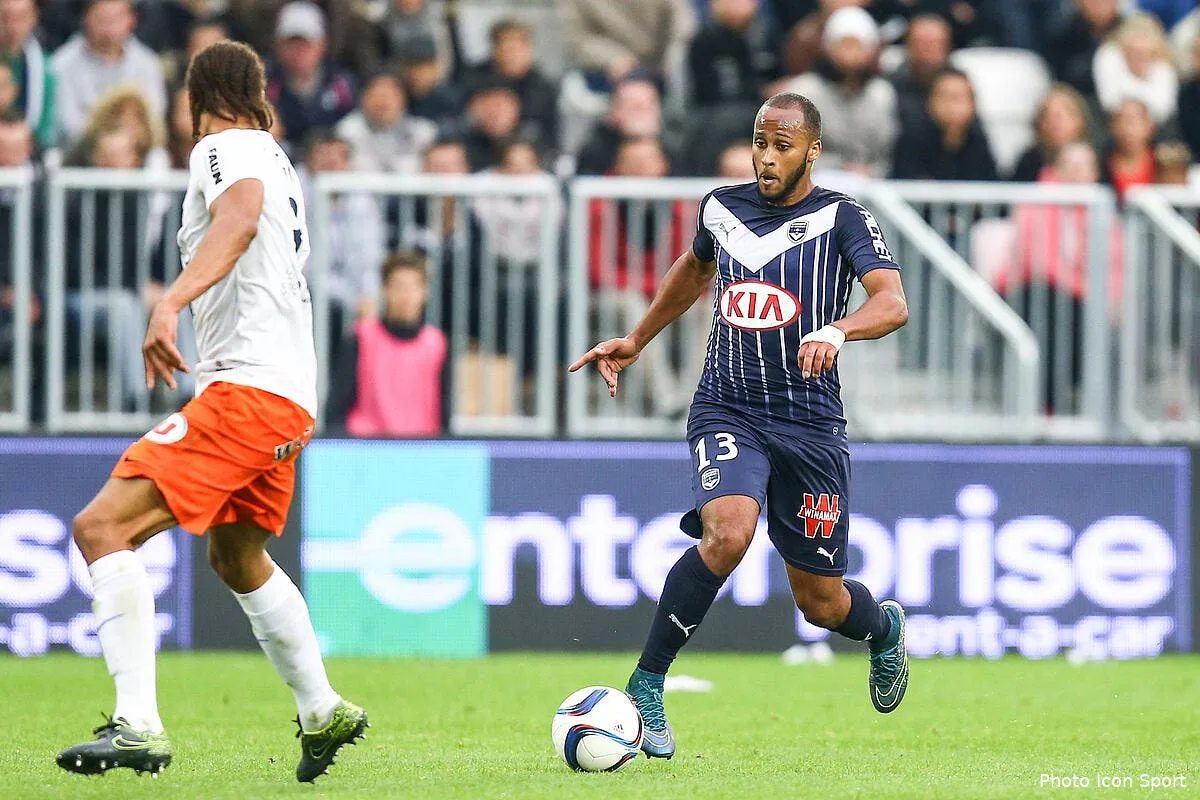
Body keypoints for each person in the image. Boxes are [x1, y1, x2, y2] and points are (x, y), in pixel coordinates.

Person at [54, 41, 366, 783]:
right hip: (289, 400)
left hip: (250, 393)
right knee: (235, 555)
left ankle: (137, 725)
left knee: (101, 527)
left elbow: (241, 216)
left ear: (194, 99)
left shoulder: (222, 147)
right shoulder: (274, 154)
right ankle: (323, 707)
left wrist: (169, 301)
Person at [570, 92, 911, 757]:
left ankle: (881, 631)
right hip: (728, 406)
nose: (767, 157)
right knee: (729, 533)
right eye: (760, 142)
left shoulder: (843, 217)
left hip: (810, 424)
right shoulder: (721, 208)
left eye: (782, 145)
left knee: (821, 602)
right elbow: (694, 269)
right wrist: (638, 338)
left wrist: (839, 330)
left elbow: (892, 303)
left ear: (812, 150)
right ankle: (647, 685)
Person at [326, 251, 449, 437]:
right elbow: (338, 403)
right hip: (367, 450)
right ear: (385, 289)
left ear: (425, 292)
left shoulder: (436, 344)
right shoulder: (362, 337)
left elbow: (444, 410)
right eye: (398, 287)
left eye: (413, 287)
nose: (405, 296)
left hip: (421, 450)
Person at [784, 6, 898, 177]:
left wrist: (870, 172)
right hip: (814, 183)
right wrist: (840, 168)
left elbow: (885, 152)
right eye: (844, 45)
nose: (850, 54)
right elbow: (790, 150)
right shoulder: (802, 92)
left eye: (858, 45)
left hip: (872, 185)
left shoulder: (882, 94)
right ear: (827, 47)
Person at [51, 0, 167, 146]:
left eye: (116, 19)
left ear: (132, 19)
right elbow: (67, 125)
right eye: (102, 20)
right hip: (79, 153)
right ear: (85, 18)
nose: (110, 28)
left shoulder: (149, 64)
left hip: (135, 152)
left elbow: (153, 117)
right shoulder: (61, 65)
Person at [266, 1, 357, 152]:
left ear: (322, 45)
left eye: (306, 44)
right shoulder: (264, 82)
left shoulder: (341, 84)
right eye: (291, 44)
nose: (298, 51)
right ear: (278, 45)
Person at [461, 18, 559, 157]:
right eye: (507, 48)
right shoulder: (474, 80)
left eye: (517, 48)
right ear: (495, 49)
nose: (512, 55)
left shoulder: (543, 87)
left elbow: (551, 137)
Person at [559, 0, 696, 93]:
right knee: (635, 87)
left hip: (661, 62)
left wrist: (673, 55)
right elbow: (577, 38)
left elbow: (681, 19)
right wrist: (613, 58)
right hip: (607, 68)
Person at [890, 67, 997, 180]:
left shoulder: (978, 141)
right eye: (946, 97)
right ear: (930, 101)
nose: (952, 106)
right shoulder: (911, 139)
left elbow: (992, 186)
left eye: (959, 98)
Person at [335, 71, 436, 173]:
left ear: (403, 99)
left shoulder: (422, 133)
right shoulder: (347, 132)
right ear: (363, 98)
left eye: (389, 96)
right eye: (376, 95)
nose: (382, 102)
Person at [688, 0, 781, 110]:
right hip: (718, 110)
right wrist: (760, 93)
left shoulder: (766, 33)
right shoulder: (704, 41)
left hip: (763, 104)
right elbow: (712, 93)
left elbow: (779, 75)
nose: (738, 5)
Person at [1092, 12, 1179, 125]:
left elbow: (1162, 110)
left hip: (1155, 130)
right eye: (1133, 52)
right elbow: (1109, 101)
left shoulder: (1164, 69)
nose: (1138, 57)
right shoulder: (1108, 55)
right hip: (1111, 124)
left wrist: (1141, 74)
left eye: (1144, 53)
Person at [0, 0, 56, 149]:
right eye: (6, 17)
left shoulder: (45, 67)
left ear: (34, 17)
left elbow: (45, 128)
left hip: (26, 150)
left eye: (21, 17)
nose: (13, 25)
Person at [1010, 84, 1092, 182]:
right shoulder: (1028, 163)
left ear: (1080, 120)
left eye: (1061, 116)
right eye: (1047, 116)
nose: (1054, 123)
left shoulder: (1098, 160)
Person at [888, 14, 952, 139]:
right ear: (907, 46)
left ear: (947, 47)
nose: (927, 50)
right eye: (921, 43)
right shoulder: (889, 86)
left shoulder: (958, 85)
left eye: (934, 43)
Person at [1103, 98, 1157, 202]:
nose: (1127, 128)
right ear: (1112, 126)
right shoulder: (1100, 163)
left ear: (1150, 126)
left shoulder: (1165, 161)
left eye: (1133, 120)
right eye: (1120, 120)